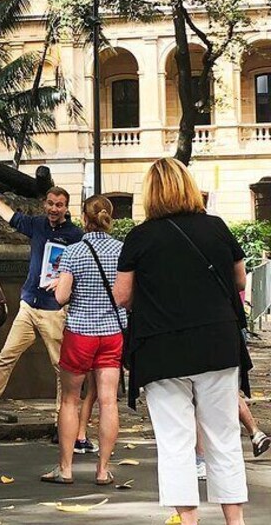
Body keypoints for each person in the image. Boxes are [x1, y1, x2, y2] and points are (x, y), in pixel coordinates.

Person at [114, 158, 250, 525]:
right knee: (223, 435)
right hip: (216, 343)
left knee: (175, 440)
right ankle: (234, 521)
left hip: (162, 349)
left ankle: (188, 520)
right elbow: (239, 280)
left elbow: (122, 296)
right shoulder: (216, 228)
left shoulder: (139, 237)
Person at [0, 180, 83, 426]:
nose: (54, 209)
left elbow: (81, 270)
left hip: (53, 310)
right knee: (6, 356)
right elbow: (10, 216)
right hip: (28, 305)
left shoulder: (75, 236)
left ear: (66, 207)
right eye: (51, 203)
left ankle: (61, 420)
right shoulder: (37, 225)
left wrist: (66, 283)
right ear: (45, 204)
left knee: (60, 367)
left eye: (60, 205)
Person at [40, 195, 125, 486]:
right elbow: (126, 296)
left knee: (70, 400)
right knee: (108, 401)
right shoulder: (122, 250)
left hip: (80, 333)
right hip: (112, 333)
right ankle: (103, 470)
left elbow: (62, 297)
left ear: (84, 218)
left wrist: (59, 287)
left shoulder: (74, 251)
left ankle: (65, 468)